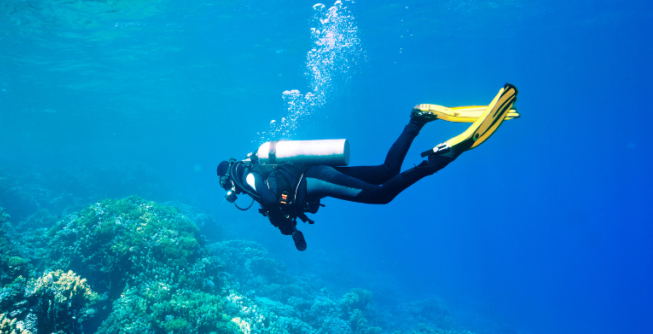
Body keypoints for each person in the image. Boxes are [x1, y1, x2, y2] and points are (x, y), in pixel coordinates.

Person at [216, 84, 518, 251]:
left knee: (382, 195)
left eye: (226, 188)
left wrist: (282, 224)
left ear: (226, 179)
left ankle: (438, 160)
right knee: (386, 170)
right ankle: (416, 119)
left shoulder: (245, 178)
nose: (231, 193)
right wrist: (291, 229)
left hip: (313, 180)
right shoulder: (252, 164)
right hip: (314, 172)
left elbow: (271, 201)